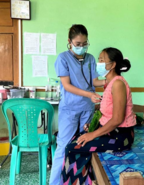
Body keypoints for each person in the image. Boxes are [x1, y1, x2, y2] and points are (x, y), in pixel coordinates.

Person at [61, 47, 136, 184]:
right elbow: (108, 113)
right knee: (76, 138)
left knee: (72, 148)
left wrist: (92, 134)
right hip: (111, 131)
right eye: (99, 60)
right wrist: (93, 126)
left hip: (120, 136)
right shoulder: (109, 83)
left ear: (112, 65)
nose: (98, 63)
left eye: (102, 60)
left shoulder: (118, 84)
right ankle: (87, 181)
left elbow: (118, 119)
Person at [49, 24, 106, 185]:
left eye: (84, 44)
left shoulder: (90, 59)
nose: (82, 47)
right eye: (78, 44)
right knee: (64, 147)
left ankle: (81, 181)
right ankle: (55, 183)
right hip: (70, 109)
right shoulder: (63, 58)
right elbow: (66, 85)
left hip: (87, 109)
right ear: (70, 41)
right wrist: (90, 94)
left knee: (85, 145)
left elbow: (94, 81)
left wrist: (110, 80)